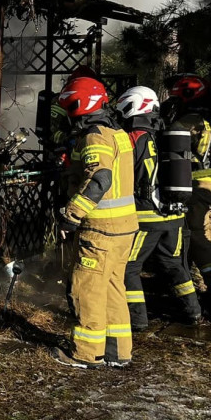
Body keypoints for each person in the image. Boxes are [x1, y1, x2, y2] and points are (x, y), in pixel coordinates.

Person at [50, 76, 139, 369]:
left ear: (78, 104)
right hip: (124, 229)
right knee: (113, 287)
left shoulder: (94, 137)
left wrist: (72, 215)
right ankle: (118, 352)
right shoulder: (118, 133)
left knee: (86, 289)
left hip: (100, 230)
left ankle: (86, 353)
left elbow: (99, 179)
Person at [115, 86, 202, 329]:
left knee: (129, 267)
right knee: (173, 265)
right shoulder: (165, 133)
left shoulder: (132, 137)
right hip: (173, 216)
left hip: (145, 217)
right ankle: (193, 312)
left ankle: (137, 320)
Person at [163, 74, 211, 308]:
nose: (174, 102)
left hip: (199, 183)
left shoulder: (191, 120)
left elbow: (172, 141)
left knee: (196, 238)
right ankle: (204, 287)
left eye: (176, 97)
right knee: (208, 236)